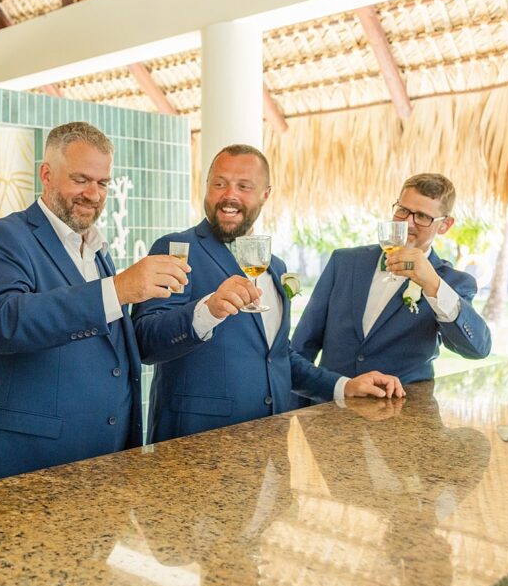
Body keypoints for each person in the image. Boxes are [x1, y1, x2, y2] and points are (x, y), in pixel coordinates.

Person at [0, 121, 190, 486]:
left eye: (103, 183)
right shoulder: (1, 238)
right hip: (26, 468)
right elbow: (4, 323)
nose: (93, 194)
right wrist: (118, 289)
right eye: (81, 179)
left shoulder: (96, 251)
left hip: (104, 466)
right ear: (46, 175)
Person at [132, 144, 402, 443]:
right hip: (199, 445)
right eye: (219, 184)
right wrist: (208, 310)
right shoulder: (176, 250)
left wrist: (344, 386)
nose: (229, 195)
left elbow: (278, 357)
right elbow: (147, 343)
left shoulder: (274, 266)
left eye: (243, 186)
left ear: (266, 194)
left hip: (272, 446)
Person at [292, 173, 491, 385]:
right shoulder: (344, 262)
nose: (407, 223)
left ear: (445, 225)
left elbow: (478, 349)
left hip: (403, 411)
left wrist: (433, 285)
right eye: (403, 210)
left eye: (422, 217)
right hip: (330, 407)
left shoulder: (453, 282)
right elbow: (302, 346)